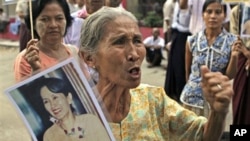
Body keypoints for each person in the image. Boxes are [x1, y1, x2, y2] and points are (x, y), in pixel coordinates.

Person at [78, 6, 233, 140]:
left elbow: (203, 135)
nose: (134, 54)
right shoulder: (72, 115)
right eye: (119, 42)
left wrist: (218, 112)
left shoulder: (153, 100)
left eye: (137, 41)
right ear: (89, 58)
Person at [180, 0, 240, 116]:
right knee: (191, 133)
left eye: (218, 12)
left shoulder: (232, 41)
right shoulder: (192, 40)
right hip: (191, 100)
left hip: (215, 101)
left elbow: (229, 76)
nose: (213, 16)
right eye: (209, 12)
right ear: (203, 15)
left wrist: (234, 56)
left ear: (224, 16)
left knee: (213, 133)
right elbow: (188, 72)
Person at [14, 0, 78, 82]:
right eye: (45, 19)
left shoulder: (74, 52)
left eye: (59, 18)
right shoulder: (26, 59)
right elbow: (29, 93)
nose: (53, 25)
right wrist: (36, 70)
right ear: (33, 24)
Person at [37, 77, 110, 140]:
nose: (52, 105)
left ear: (68, 98)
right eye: (46, 101)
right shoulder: (49, 136)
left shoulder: (90, 121)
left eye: (55, 97)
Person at [164, 0, 191, 102]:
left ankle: (181, 93)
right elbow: (170, 21)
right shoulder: (172, 3)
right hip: (178, 35)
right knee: (177, 66)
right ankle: (176, 93)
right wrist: (170, 39)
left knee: (183, 67)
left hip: (186, 35)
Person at [230, 2, 250, 125]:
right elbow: (234, 37)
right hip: (243, 58)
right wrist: (246, 52)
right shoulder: (237, 11)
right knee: (241, 102)